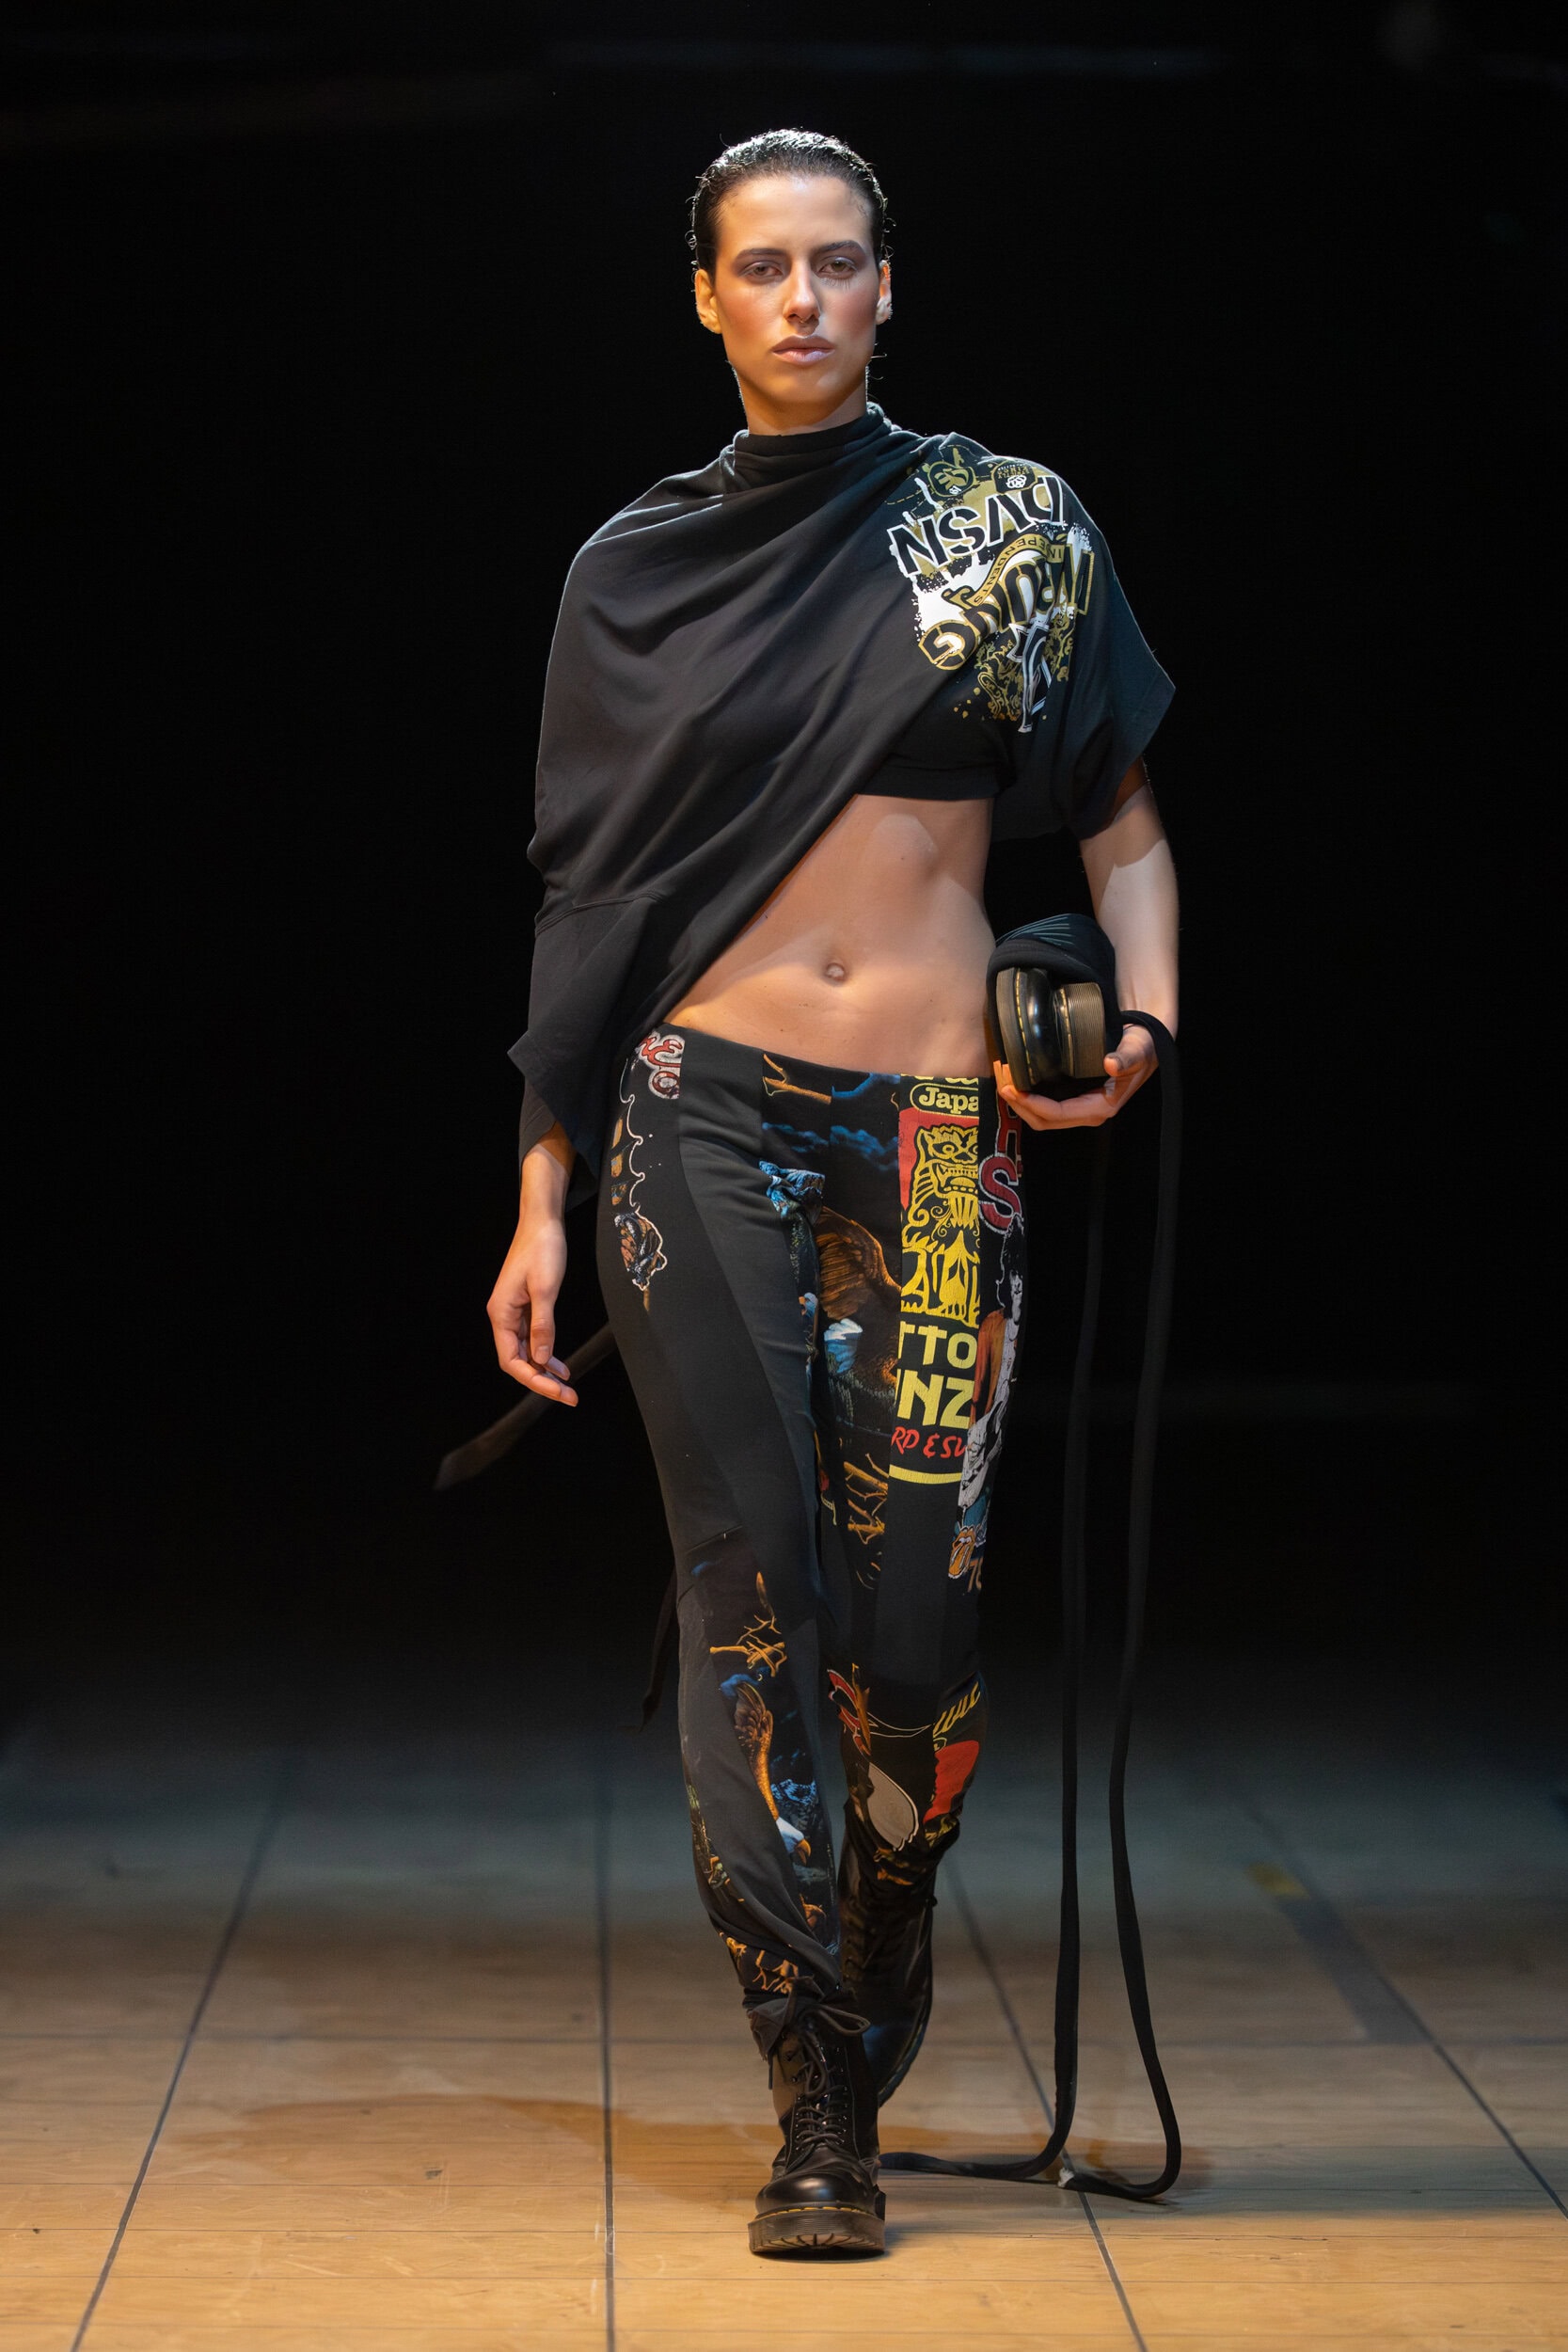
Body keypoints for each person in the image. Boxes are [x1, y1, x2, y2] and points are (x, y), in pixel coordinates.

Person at [487, 129, 1179, 2257]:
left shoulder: (1007, 526)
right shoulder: (633, 572)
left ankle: (884, 1916)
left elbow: (1126, 824)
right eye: (763, 267)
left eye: (838, 262)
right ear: (705, 295)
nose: (802, 298)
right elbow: (591, 900)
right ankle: (814, 2089)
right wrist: (538, 1184)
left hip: (942, 1130)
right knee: (750, 1578)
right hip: (696, 1107)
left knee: (916, 1625)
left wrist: (1143, 1023)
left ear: (891, 283)